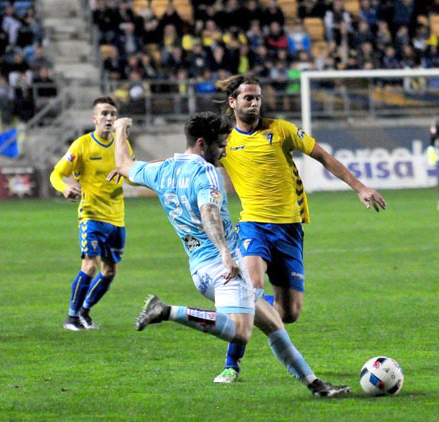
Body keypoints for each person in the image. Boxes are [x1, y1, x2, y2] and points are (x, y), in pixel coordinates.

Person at [112, 112, 350, 397]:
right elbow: (208, 212)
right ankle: (166, 311)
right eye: (221, 145)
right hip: (222, 265)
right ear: (202, 144)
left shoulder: (162, 170)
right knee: (241, 332)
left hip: (199, 267)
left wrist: (119, 130)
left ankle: (316, 385)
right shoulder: (206, 173)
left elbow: (123, 164)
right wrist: (226, 253)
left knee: (274, 324)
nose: (225, 151)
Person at [213, 74, 387, 383]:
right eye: (248, 98)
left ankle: (249, 312)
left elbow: (322, 156)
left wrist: (359, 187)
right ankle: (231, 364)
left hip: (290, 229)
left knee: (290, 312)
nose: (254, 103)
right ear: (233, 102)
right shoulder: (225, 142)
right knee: (252, 288)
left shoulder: (281, 130)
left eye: (257, 97)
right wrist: (136, 169)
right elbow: (189, 160)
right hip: (253, 225)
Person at [49, 97, 133, 331]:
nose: (109, 118)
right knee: (90, 265)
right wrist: (64, 187)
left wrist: (130, 173)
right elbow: (56, 174)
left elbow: (133, 178)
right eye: (104, 114)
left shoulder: (122, 145)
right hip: (91, 215)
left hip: (117, 217)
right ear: (94, 119)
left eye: (113, 114)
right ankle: (71, 317)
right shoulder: (81, 145)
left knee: (110, 271)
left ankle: (85, 312)